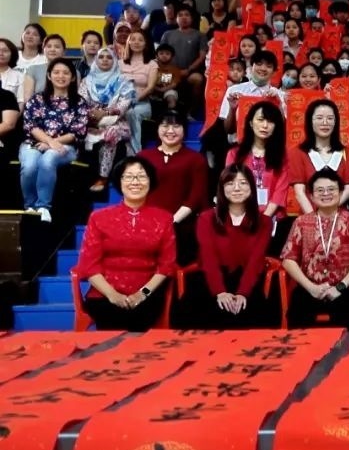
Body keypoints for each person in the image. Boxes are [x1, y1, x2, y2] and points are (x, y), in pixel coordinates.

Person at [77, 157, 175, 331]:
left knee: (140, 315)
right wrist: (112, 295)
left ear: (150, 182)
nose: (135, 182)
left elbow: (166, 266)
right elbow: (89, 266)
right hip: (104, 295)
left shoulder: (164, 218)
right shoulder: (98, 217)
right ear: (119, 182)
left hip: (147, 295)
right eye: (129, 176)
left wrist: (142, 294)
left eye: (141, 176)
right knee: (111, 315)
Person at [281, 169, 349, 330]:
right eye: (320, 190)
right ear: (311, 196)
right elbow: (288, 260)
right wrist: (311, 288)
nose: (326, 194)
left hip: (345, 288)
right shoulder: (302, 222)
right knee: (298, 310)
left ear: (341, 192)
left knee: (343, 317)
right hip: (309, 288)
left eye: (331, 189)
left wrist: (340, 287)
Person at [186, 164, 273, 329]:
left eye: (243, 183)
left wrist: (242, 293)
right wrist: (220, 292)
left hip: (248, 281)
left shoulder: (264, 222)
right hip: (211, 281)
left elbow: (256, 261)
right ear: (222, 188)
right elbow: (208, 258)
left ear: (252, 188)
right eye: (230, 183)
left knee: (252, 316)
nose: (237, 188)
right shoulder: (206, 218)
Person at [20, 59, 89, 223]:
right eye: (56, 72)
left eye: (66, 73)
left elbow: (77, 132)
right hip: (34, 143)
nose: (61, 76)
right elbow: (31, 126)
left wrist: (52, 143)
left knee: (48, 159)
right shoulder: (37, 99)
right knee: (29, 165)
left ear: (73, 77)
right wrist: (49, 141)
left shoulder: (79, 102)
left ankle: (43, 206)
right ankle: (30, 206)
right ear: (49, 76)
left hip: (65, 146)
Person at [138, 111, 208, 264]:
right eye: (165, 126)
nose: (170, 131)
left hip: (181, 226)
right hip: (146, 224)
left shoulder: (196, 159)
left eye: (176, 126)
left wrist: (172, 221)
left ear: (184, 129)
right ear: (157, 128)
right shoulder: (143, 157)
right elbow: (136, 190)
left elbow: (195, 196)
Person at [78, 47, 134, 192]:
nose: (104, 60)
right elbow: (81, 103)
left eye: (109, 57)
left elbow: (123, 106)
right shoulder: (86, 81)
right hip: (91, 121)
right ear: (96, 60)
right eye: (101, 57)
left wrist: (105, 112)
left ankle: (103, 177)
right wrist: (92, 115)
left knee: (111, 133)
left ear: (115, 61)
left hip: (116, 122)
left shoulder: (123, 81)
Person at [287, 100, 349, 214]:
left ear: (335, 122)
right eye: (319, 118)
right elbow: (299, 192)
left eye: (330, 118)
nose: (325, 122)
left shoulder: (348, 153)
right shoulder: (297, 153)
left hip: (339, 215)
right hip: (308, 214)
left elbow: (348, 189)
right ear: (310, 121)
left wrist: (328, 213)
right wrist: (314, 218)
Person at [226, 100, 289, 220]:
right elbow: (231, 186)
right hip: (240, 216)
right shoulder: (234, 154)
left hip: (272, 218)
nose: (265, 125)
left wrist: (264, 219)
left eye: (270, 121)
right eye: (260, 119)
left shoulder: (283, 155)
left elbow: (280, 190)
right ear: (251, 123)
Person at [118, 29, 158, 153]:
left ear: (146, 44)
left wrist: (134, 100)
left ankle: (135, 153)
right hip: (121, 102)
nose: (136, 42)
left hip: (142, 102)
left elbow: (150, 87)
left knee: (132, 113)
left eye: (140, 40)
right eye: (133, 39)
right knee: (127, 112)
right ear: (128, 42)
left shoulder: (152, 64)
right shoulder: (119, 63)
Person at [0, 37, 25, 109]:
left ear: (12, 54)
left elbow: (21, 102)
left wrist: (13, 116)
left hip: (10, 114)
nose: (1, 53)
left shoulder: (19, 76)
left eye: (5, 51)